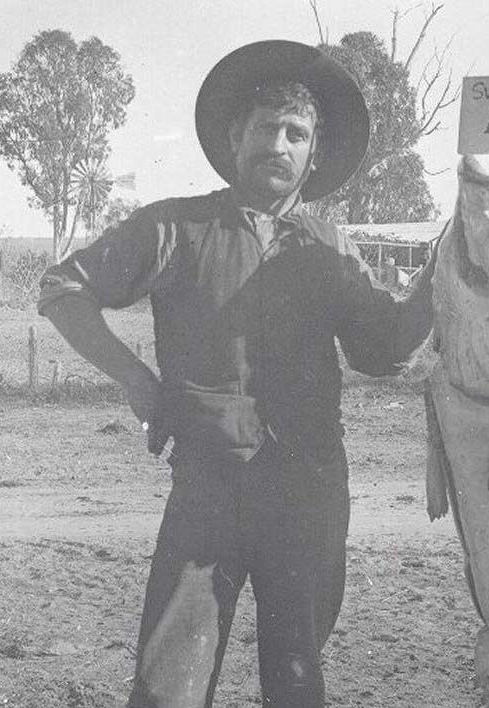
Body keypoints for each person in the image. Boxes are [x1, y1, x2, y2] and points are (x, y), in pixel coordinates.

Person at [38, 40, 435, 708]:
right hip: (207, 492)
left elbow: (384, 352)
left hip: (308, 494)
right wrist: (137, 379)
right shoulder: (177, 226)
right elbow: (62, 289)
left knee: (298, 681)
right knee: (167, 689)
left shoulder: (331, 247)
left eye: (295, 133)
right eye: (263, 128)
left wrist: (439, 279)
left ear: (313, 155)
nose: (277, 143)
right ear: (233, 138)